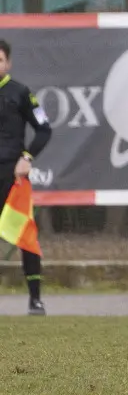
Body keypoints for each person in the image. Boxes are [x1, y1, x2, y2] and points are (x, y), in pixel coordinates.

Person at [0, 39, 52, 315]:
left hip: (12, 179)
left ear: (7, 63)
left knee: (25, 237)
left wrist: (27, 157)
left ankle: (35, 299)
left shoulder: (20, 93)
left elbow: (44, 129)